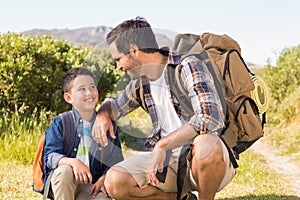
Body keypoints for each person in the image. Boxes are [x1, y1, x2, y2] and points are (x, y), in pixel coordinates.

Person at [92, 17, 236, 200]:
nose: (118, 66)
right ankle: (180, 197)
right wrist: (103, 114)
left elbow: (210, 117)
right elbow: (115, 104)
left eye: (119, 59)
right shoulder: (140, 83)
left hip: (205, 161)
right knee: (115, 180)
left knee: (205, 145)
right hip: (167, 164)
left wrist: (163, 144)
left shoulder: (187, 65)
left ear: (134, 50)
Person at [44, 67, 123, 200]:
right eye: (82, 89)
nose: (89, 93)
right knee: (65, 171)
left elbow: (116, 161)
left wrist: (104, 178)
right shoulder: (61, 122)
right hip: (64, 185)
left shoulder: (108, 125)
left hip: (90, 187)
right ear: (68, 98)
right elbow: (50, 157)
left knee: (103, 198)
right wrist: (74, 162)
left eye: (92, 87)